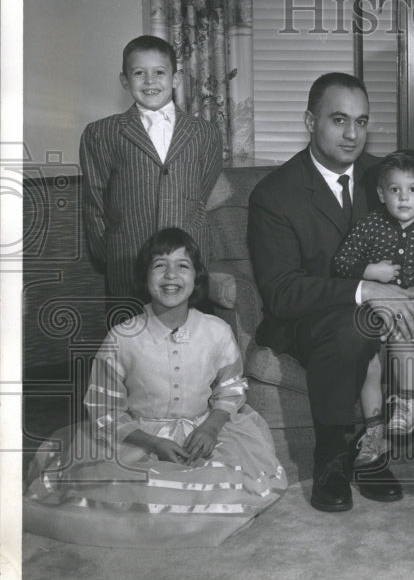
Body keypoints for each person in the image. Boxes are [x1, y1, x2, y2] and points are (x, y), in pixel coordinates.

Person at [23, 228, 287, 548]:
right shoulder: (122, 337)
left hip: (203, 429)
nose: (171, 275)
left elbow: (230, 388)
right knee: (126, 492)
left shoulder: (216, 331)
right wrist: (152, 443)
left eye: (182, 265)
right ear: (145, 277)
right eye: (160, 265)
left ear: (196, 277)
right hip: (137, 436)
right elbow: (103, 406)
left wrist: (211, 428)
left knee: (227, 484)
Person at [248, 73, 414, 513]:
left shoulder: (386, 176)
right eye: (339, 120)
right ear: (310, 120)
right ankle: (332, 457)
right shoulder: (275, 194)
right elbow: (281, 292)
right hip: (307, 318)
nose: (353, 134)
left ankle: (384, 449)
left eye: (362, 121)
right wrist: (365, 289)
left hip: (385, 309)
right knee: (352, 329)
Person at [332, 149, 414, 442]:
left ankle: (406, 405)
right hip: (374, 308)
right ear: (381, 194)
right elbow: (340, 264)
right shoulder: (368, 226)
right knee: (368, 360)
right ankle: (374, 425)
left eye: (412, 189)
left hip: (412, 308)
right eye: (395, 190)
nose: (404, 198)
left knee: (402, 340)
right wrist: (370, 270)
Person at [80, 35, 223, 303]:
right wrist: (110, 254)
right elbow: (95, 202)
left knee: (187, 337)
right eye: (138, 73)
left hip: (186, 258)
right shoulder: (101, 133)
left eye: (159, 72)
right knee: (132, 338)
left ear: (176, 79)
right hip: (129, 259)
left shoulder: (205, 132)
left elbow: (203, 190)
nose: (150, 81)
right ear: (124, 80)